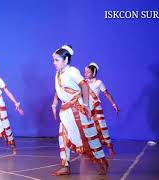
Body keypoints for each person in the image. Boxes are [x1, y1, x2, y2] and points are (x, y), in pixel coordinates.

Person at [51, 45, 108, 176]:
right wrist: (54, 104)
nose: (54, 63)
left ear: (65, 60)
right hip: (66, 111)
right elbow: (58, 90)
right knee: (62, 137)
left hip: (77, 110)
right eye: (54, 60)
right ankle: (65, 166)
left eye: (57, 60)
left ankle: (102, 162)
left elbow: (85, 86)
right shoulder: (58, 73)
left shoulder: (72, 71)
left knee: (88, 137)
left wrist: (87, 105)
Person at [84, 62, 120, 157]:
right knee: (87, 129)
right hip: (87, 110)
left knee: (102, 128)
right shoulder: (83, 83)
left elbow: (107, 94)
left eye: (88, 72)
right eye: (85, 72)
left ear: (93, 73)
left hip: (96, 109)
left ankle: (110, 148)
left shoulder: (98, 83)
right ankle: (89, 149)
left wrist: (114, 104)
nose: (85, 74)